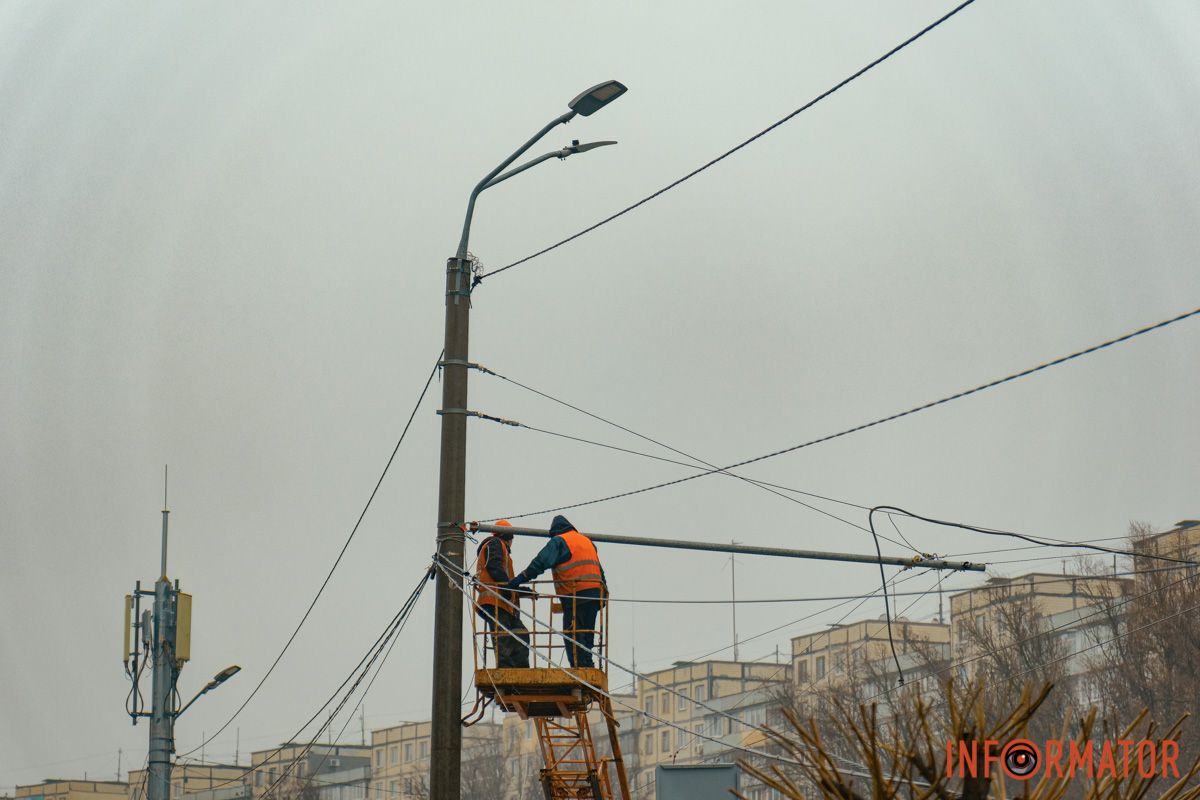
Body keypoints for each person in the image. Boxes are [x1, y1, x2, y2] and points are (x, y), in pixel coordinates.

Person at [505, 515, 606, 669]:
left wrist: (520, 578)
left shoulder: (560, 541)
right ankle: (588, 664)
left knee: (573, 635)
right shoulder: (587, 541)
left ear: (555, 532)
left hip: (575, 594)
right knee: (587, 633)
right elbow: (600, 571)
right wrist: (603, 595)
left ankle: (579, 668)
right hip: (594, 595)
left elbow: (541, 562)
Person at [474, 519, 529, 668]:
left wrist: (522, 591)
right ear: (508, 537)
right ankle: (506, 669)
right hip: (495, 601)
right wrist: (506, 589)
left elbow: (506, 579)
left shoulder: (502, 551)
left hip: (503, 604)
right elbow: (494, 567)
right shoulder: (495, 544)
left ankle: (520, 670)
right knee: (504, 637)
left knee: (521, 634)